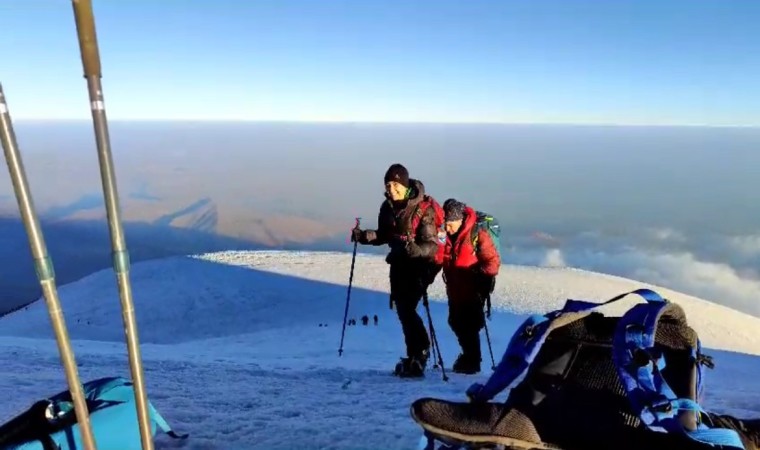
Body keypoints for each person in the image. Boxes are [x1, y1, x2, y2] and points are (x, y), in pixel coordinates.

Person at [351, 163, 444, 377]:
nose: (391, 189)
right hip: (400, 262)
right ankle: (414, 355)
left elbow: (431, 245)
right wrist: (363, 236)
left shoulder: (423, 209)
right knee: (403, 310)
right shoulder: (388, 207)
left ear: (404, 184)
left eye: (395, 184)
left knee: (407, 307)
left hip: (422, 265)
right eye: (388, 184)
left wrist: (414, 249)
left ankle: (420, 352)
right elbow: (385, 234)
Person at [440, 199, 500, 374]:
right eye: (445, 223)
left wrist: (480, 276)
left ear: (459, 220)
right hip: (454, 289)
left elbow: (492, 261)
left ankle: (472, 361)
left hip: (473, 290)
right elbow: (440, 254)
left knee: (469, 326)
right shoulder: (444, 235)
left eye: (450, 224)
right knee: (455, 322)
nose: (447, 227)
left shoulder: (477, 234)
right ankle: (469, 357)